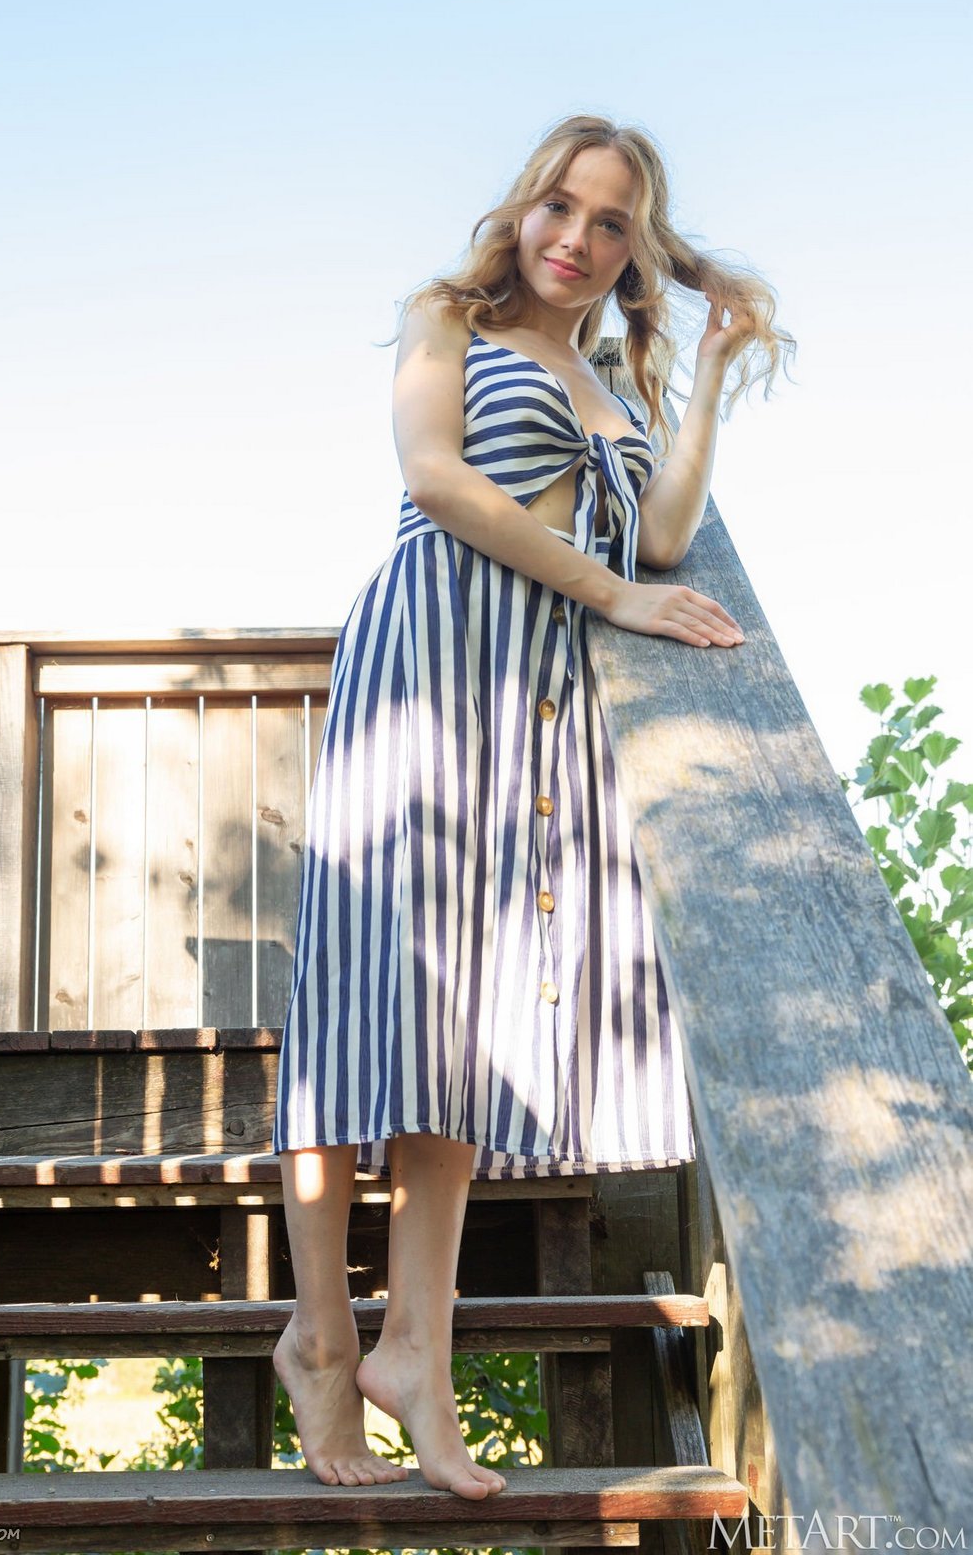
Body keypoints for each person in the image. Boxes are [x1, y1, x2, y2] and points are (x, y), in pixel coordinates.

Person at [270, 112, 794, 1500]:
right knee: (366, 995)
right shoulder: (445, 319)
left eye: (612, 221)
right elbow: (434, 479)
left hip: (534, 702)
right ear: (522, 208)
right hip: (425, 665)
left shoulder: (614, 379)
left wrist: (708, 370)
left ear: (634, 250)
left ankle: (415, 1350)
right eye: (561, 205)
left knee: (467, 1018)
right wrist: (612, 594)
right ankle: (321, 1335)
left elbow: (666, 534)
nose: (576, 237)